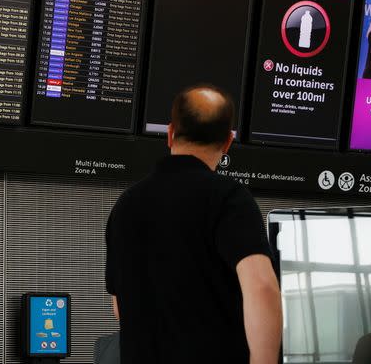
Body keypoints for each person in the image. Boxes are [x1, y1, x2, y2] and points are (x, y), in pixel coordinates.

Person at [105, 85, 282, 364]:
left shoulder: (125, 205)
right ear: (228, 141)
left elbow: (120, 307)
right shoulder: (229, 198)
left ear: (170, 133)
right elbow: (261, 285)